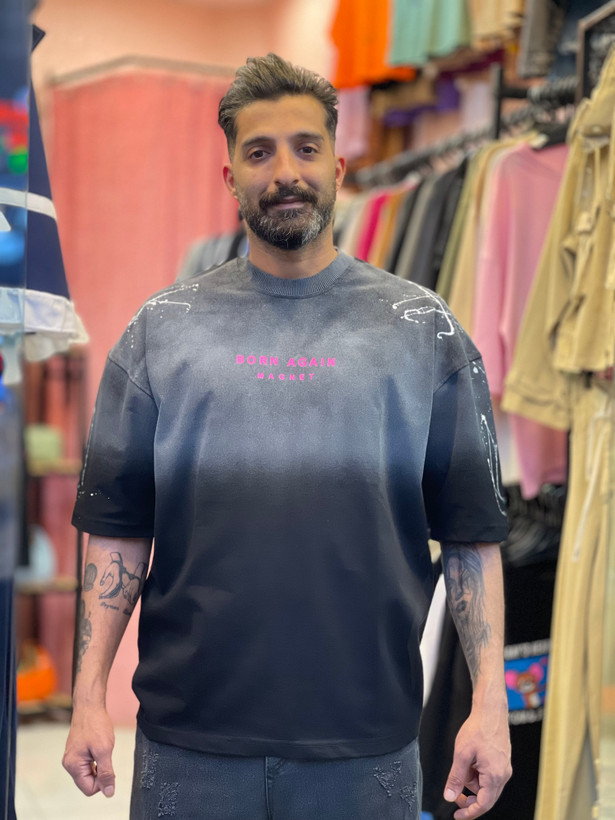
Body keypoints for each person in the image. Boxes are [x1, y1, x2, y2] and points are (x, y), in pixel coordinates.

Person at [62, 53, 512, 820]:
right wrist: (87, 695)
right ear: (229, 176)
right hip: (189, 745)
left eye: (305, 148)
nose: (284, 172)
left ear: (337, 165)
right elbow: (117, 530)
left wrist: (489, 704)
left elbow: (470, 534)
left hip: (365, 746)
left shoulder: (420, 329)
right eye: (259, 152)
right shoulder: (161, 331)